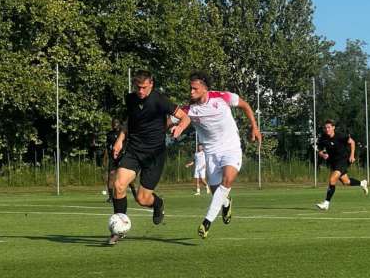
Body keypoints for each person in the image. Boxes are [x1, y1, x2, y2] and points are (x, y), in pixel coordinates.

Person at [108, 70, 190, 245]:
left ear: (151, 84)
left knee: (142, 199)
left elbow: (185, 117)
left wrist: (179, 128)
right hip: (134, 151)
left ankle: (158, 204)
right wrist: (120, 140)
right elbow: (129, 122)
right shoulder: (130, 99)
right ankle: (119, 229)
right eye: (138, 87)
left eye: (144, 88)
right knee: (118, 185)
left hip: (154, 154)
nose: (141, 91)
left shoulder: (160, 100)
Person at [181, 71, 261, 239]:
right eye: (190, 88)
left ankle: (206, 222)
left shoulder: (223, 97)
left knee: (228, 180)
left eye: (194, 88)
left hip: (231, 147)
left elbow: (245, 105)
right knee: (217, 189)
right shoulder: (189, 109)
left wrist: (255, 127)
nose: (191, 92)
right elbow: (169, 121)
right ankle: (226, 202)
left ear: (204, 88)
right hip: (210, 153)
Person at [315, 119, 368, 211]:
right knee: (346, 181)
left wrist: (352, 155)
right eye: (325, 128)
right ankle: (362, 183)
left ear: (333, 128)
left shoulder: (340, 136)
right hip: (333, 162)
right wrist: (322, 154)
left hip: (343, 160)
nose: (327, 129)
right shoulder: (323, 138)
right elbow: (319, 150)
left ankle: (326, 203)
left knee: (332, 180)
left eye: (329, 127)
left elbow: (352, 142)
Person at [105, 118, 137, 202]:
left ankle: (135, 195)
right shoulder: (109, 135)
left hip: (122, 157)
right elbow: (107, 147)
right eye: (113, 123)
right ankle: (111, 197)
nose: (115, 124)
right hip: (113, 157)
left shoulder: (123, 133)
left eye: (116, 122)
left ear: (119, 124)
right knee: (111, 175)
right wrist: (106, 156)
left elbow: (127, 143)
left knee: (128, 178)